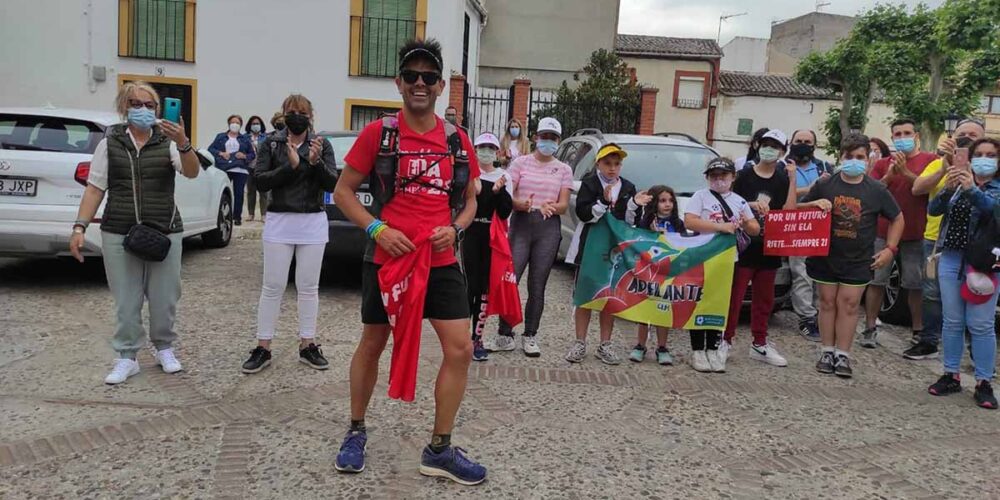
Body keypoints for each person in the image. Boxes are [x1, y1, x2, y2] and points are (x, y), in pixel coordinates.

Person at [332, 39, 487, 485]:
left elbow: (471, 201)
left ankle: (439, 448)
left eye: (429, 77)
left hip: (439, 260)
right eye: (412, 76)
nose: (420, 83)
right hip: (387, 259)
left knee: (459, 349)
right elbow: (344, 193)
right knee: (373, 343)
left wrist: (455, 229)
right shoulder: (379, 135)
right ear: (398, 83)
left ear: (441, 87)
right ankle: (356, 429)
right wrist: (377, 229)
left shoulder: (457, 140)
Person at [68, 81, 200, 384]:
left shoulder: (166, 140)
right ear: (124, 108)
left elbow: (191, 171)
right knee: (125, 298)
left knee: (165, 295)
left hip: (164, 230)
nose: (143, 110)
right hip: (118, 230)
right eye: (135, 104)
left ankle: (164, 347)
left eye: (149, 105)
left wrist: (183, 141)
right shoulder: (110, 142)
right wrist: (79, 227)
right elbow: (94, 188)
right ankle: (126, 356)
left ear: (158, 109)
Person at [240, 95, 338, 375]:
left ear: (311, 115)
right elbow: (260, 181)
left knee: (308, 287)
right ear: (283, 114)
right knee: (272, 286)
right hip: (280, 219)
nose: (297, 116)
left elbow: (333, 182)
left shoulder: (322, 144)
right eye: (292, 112)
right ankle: (263, 346)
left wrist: (316, 162)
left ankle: (308, 343)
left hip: (312, 220)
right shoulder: (271, 143)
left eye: (303, 112)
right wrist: (291, 166)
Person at [798, 134, 903, 378]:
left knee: (850, 304)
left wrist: (890, 248)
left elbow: (897, 218)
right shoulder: (826, 184)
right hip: (825, 255)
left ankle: (843, 354)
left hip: (858, 259)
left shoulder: (876, 189)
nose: (854, 161)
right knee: (826, 302)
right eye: (849, 156)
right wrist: (815, 205)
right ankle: (826, 350)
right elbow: (796, 207)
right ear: (841, 157)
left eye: (860, 157)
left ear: (868, 159)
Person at [926, 137, 1000, 409]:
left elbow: (994, 211)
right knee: (953, 321)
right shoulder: (959, 183)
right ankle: (950, 374)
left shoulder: (994, 188)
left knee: (981, 324)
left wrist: (972, 190)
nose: (984, 158)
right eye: (978, 154)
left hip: (985, 263)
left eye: (990, 154)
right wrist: (948, 189)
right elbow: (933, 210)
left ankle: (983, 381)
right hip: (951, 258)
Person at [488, 116, 572, 357]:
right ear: (536, 137)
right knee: (511, 279)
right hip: (522, 225)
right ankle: (505, 334)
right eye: (544, 136)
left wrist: (551, 206)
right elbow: (508, 198)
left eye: (553, 138)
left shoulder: (564, 169)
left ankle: (530, 334)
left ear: (559, 140)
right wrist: (520, 204)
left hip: (548, 228)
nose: (548, 141)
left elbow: (564, 205)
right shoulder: (520, 163)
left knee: (538, 284)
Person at [908, 119, 988, 360]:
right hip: (937, 240)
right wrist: (945, 167)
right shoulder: (939, 163)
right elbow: (918, 189)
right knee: (932, 293)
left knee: (977, 296)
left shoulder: (988, 171)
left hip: (978, 245)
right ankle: (929, 341)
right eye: (962, 134)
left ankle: (977, 352)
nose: (967, 139)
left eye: (973, 135)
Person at [722, 130, 799, 367]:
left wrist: (793, 179)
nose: (768, 149)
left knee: (764, 299)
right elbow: (727, 201)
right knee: (734, 298)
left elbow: (789, 211)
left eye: (774, 146)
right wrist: (749, 205)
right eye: (765, 144)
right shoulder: (744, 175)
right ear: (757, 146)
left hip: (769, 247)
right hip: (743, 246)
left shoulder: (782, 179)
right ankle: (725, 341)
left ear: (782, 152)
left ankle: (760, 343)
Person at [861, 118, 937, 349]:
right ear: (892, 138)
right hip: (884, 231)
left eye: (907, 133)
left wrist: (906, 172)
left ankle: (917, 330)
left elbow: (928, 187)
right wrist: (890, 175)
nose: (902, 137)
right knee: (877, 280)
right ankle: (870, 327)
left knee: (915, 284)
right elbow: (872, 192)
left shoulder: (931, 161)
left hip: (917, 232)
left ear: (916, 136)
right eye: (898, 134)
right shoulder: (883, 163)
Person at [683, 157, 761, 373]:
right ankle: (697, 349)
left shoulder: (739, 201)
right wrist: (721, 227)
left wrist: (746, 223)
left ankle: (713, 347)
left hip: (729, 260)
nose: (719, 180)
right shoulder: (700, 196)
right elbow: (690, 221)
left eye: (723, 176)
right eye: (714, 176)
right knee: (699, 301)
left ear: (732, 177)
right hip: (704, 257)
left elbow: (754, 228)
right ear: (708, 178)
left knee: (720, 303)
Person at [563, 143, 638, 365]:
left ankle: (605, 344)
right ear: (598, 164)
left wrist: (635, 205)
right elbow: (584, 214)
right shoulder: (589, 184)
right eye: (607, 163)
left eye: (617, 164)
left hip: (614, 251)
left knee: (610, 297)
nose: (612, 168)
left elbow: (630, 221)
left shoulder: (628, 187)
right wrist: (603, 202)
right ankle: (579, 341)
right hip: (589, 248)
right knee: (585, 295)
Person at [465, 132, 513, 362]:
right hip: (469, 235)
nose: (485, 151)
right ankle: (460, 338)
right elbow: (459, 204)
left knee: (484, 290)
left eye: (490, 148)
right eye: (481, 147)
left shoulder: (503, 176)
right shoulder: (469, 174)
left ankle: (477, 338)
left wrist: (498, 191)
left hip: (491, 239)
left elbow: (505, 212)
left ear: (497, 152)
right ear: (474, 149)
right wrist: (472, 189)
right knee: (467, 288)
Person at [628, 185, 684, 365]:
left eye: (670, 201)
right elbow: (639, 242)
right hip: (649, 273)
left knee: (663, 310)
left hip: (669, 273)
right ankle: (640, 345)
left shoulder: (678, 223)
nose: (667, 204)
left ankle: (662, 347)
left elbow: (684, 244)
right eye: (662, 201)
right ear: (654, 203)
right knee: (646, 311)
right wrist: (652, 233)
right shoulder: (646, 221)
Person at [786, 129, 834, 342]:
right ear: (791, 142)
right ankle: (806, 318)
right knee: (802, 274)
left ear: (815, 145)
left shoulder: (825, 168)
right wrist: (812, 189)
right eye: (799, 141)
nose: (803, 144)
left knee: (821, 275)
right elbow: (783, 198)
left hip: (824, 229)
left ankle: (821, 315)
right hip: (797, 229)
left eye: (807, 141)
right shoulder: (783, 167)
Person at [208, 115, 256, 225]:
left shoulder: (245, 139)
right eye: (233, 122)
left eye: (238, 123)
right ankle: (221, 215)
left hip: (240, 170)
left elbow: (252, 154)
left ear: (240, 125)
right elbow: (211, 149)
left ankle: (237, 217)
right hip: (224, 169)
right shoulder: (220, 137)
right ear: (229, 124)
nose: (235, 125)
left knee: (238, 194)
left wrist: (244, 156)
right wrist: (221, 153)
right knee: (222, 193)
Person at [244, 115, 268, 222]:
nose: (255, 126)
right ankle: (251, 214)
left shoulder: (265, 137)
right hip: (249, 167)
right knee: (251, 191)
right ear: (249, 125)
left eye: (257, 123)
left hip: (262, 167)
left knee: (263, 192)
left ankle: (263, 214)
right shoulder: (245, 137)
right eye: (253, 124)